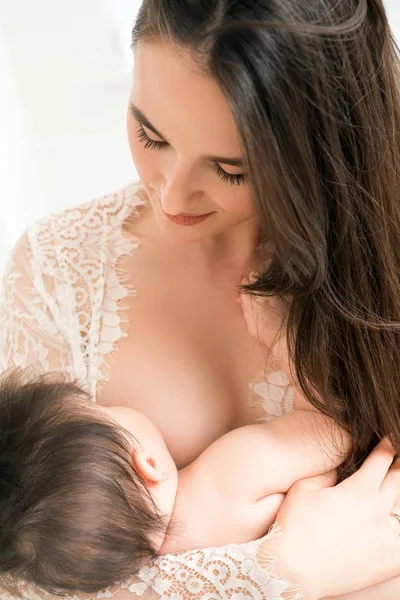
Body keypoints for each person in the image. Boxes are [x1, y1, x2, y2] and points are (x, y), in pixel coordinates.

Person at [0, 0, 400, 598]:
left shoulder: (385, 257)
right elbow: (20, 576)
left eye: (231, 169)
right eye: (149, 134)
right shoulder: (59, 269)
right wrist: (277, 576)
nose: (171, 193)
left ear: (319, 151)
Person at [0, 368, 350, 596]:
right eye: (107, 410)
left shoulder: (159, 578)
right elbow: (332, 434)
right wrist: (289, 352)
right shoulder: (225, 475)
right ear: (149, 465)